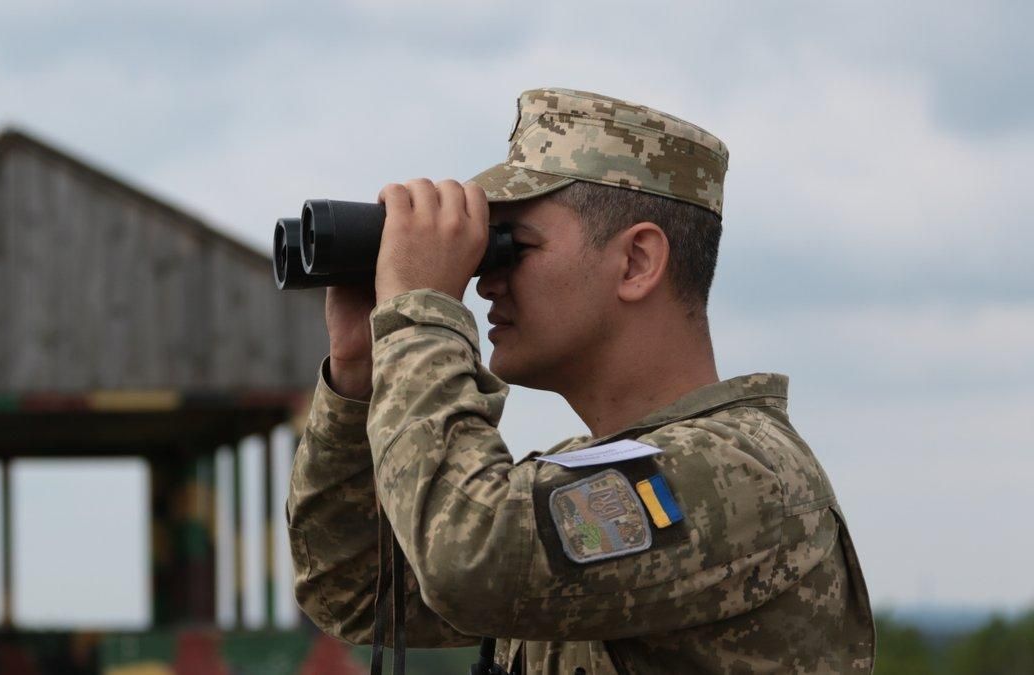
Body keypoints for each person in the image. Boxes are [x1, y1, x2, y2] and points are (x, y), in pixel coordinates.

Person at [286, 87, 875, 674]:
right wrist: (360, 373)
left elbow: (466, 559)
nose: (484, 282)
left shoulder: (745, 474)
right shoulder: (590, 476)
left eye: (512, 248)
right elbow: (357, 591)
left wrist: (418, 312)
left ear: (637, 262)